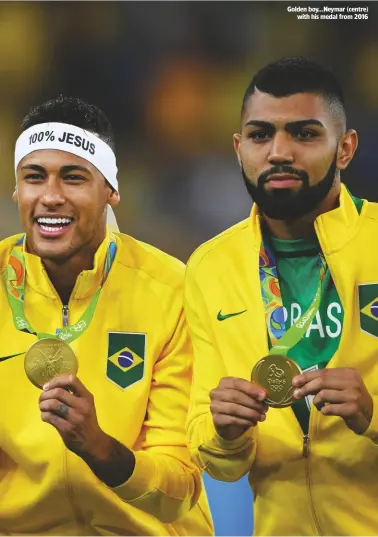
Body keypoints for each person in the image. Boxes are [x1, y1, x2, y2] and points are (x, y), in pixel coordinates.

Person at [0, 96, 213, 536]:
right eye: (34, 178)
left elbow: (179, 490)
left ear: (111, 190)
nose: (51, 197)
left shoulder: (171, 290)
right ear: (18, 190)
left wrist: (97, 447)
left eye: (73, 178)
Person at [184, 56, 378, 536]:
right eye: (260, 135)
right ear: (239, 147)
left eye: (305, 134)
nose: (279, 152)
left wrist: (372, 414)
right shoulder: (210, 267)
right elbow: (215, 458)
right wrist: (224, 433)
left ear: (346, 148)